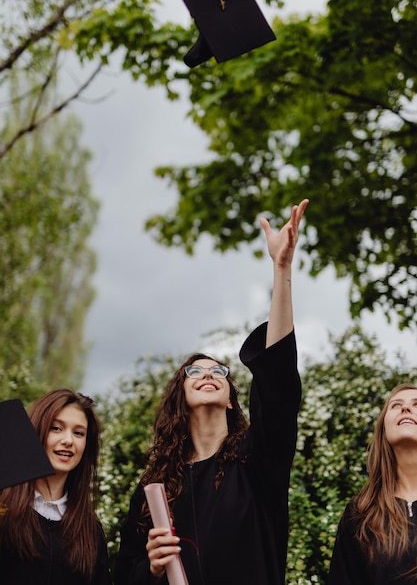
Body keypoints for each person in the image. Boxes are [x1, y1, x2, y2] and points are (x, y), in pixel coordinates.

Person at [114, 198, 309, 585]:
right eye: (195, 371)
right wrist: (151, 568)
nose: (209, 374)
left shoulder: (257, 461)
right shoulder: (156, 487)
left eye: (219, 371)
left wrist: (281, 269)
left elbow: (278, 385)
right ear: (179, 396)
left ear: (232, 397)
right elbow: (124, 574)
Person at [0, 388, 111, 585]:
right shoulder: (4, 509)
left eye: (78, 433)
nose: (68, 441)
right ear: (36, 432)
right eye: (56, 428)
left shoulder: (90, 531)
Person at [328, 383, 417, 584]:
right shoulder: (360, 512)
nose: (406, 408)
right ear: (383, 430)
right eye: (395, 405)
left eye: (416, 404)